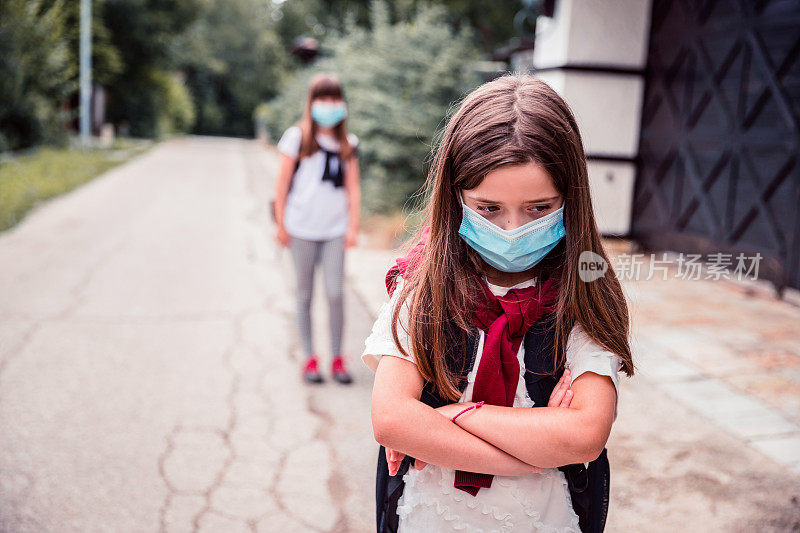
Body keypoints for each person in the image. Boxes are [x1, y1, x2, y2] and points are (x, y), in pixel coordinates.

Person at [362, 74, 634, 532]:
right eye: (488, 208)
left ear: (572, 199)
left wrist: (451, 418)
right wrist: (526, 452)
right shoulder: (424, 288)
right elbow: (391, 418)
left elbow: (586, 434)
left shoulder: (584, 294)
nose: (512, 229)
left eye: (538, 208)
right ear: (456, 197)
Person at [274, 73, 361, 384]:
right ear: (311, 103)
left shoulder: (348, 144)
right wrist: (281, 224)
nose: (329, 105)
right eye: (322, 99)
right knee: (304, 294)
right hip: (300, 228)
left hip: (335, 229)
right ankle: (310, 358)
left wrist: (353, 227)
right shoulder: (296, 138)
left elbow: (353, 188)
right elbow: (282, 184)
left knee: (336, 293)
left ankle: (338, 358)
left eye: (334, 98)